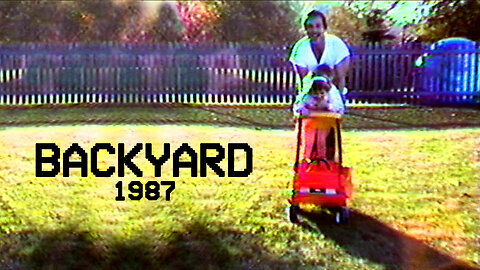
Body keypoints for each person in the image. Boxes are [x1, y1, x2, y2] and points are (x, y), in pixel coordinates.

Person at [289, 10, 350, 162]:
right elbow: (302, 82)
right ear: (305, 29)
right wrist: (304, 104)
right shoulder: (300, 49)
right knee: (309, 135)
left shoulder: (337, 46)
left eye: (318, 26)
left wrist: (337, 103)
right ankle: (306, 167)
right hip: (311, 93)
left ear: (324, 27)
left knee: (328, 136)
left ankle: (329, 167)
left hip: (331, 94)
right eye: (310, 26)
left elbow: (341, 78)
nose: (314, 30)